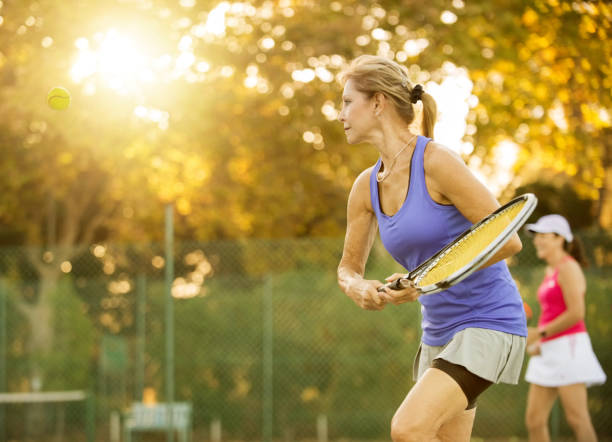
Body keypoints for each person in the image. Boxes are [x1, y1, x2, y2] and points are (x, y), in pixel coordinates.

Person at [336, 54, 527, 442]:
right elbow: (347, 268)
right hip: (438, 334)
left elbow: (508, 240)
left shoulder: (437, 162)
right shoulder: (365, 187)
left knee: (408, 428)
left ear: (377, 102)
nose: (339, 113)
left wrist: (422, 281)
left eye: (346, 101)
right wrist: (359, 287)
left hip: (488, 322)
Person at [524, 214, 606, 442]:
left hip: (569, 347)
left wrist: (539, 333)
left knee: (577, 418)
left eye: (543, 236)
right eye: (536, 236)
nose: (537, 241)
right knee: (534, 420)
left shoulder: (569, 268)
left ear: (560, 239)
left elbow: (577, 313)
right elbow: (553, 313)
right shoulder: (550, 272)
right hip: (548, 348)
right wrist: (542, 341)